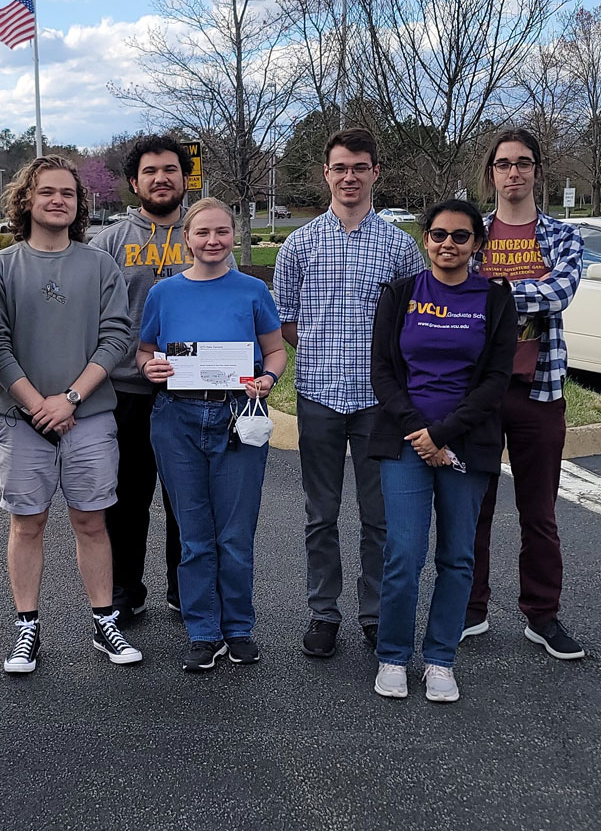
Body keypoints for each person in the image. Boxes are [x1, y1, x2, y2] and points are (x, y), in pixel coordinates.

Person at [273, 127, 426, 658]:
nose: (349, 177)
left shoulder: (399, 247)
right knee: (321, 513)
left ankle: (374, 613)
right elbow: (284, 318)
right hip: (318, 394)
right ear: (326, 174)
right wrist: (318, 348)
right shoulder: (300, 243)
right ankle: (323, 612)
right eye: (340, 168)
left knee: (377, 516)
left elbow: (415, 320)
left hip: (377, 402)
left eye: (359, 167)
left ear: (375, 173)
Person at [0, 154, 141, 673]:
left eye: (68, 194)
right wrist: (38, 405)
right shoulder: (1, 268)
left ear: (79, 205)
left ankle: (104, 622)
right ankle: (27, 628)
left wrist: (70, 398)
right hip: (19, 417)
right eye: (47, 191)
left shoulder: (99, 264)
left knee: (91, 521)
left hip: (89, 415)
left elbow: (117, 336)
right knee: (27, 523)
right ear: (26, 199)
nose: (58, 200)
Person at [368, 200, 516, 702]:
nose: (447, 244)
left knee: (457, 556)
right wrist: (421, 433)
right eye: (437, 235)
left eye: (459, 236)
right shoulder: (402, 293)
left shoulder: (495, 299)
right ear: (424, 240)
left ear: (477, 243)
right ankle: (392, 654)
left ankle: (440, 659)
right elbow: (383, 373)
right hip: (408, 439)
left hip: (467, 442)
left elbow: (497, 380)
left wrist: (446, 433)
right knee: (403, 553)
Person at [136, 198, 286, 671]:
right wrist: (151, 368)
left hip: (236, 416)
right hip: (177, 420)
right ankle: (203, 631)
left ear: (233, 234)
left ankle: (238, 627)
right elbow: (143, 351)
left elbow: (275, 350)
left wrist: (269, 379)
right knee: (195, 534)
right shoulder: (164, 293)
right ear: (187, 239)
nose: (213, 241)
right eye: (203, 233)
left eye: (222, 231)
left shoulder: (252, 290)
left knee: (235, 534)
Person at [464, 128, 587, 661]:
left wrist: (492, 294)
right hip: (480, 391)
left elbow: (560, 293)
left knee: (539, 512)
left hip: (540, 390)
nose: (513, 172)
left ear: (537, 170)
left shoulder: (563, 236)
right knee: (475, 508)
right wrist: (508, 297)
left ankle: (542, 615)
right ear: (491, 172)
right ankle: (470, 609)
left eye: (523, 163)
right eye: (503, 163)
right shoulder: (472, 232)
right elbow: (454, 292)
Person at [89, 134, 196, 615]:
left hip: (191, 391)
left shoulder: (204, 235)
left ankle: (184, 591)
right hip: (126, 392)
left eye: (170, 169)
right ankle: (125, 594)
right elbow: (93, 315)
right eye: (150, 172)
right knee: (126, 500)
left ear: (183, 176)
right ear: (135, 182)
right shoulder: (110, 241)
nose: (161, 179)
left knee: (186, 499)